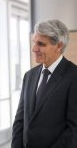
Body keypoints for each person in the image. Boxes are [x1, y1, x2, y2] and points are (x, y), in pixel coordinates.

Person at [11, 19, 77, 148]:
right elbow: (20, 121)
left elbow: (74, 130)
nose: (34, 49)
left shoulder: (74, 77)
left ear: (59, 45)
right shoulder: (29, 76)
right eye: (34, 42)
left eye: (41, 44)